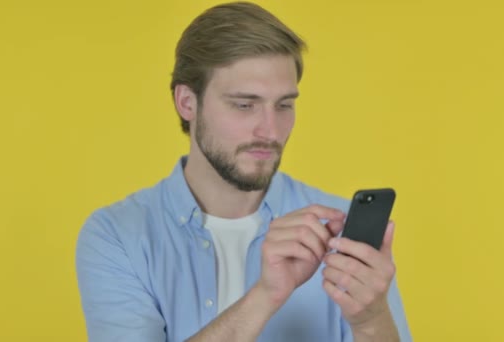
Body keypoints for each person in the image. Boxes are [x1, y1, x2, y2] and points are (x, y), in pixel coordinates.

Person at [76, 2, 411, 341]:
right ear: (187, 102)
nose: (270, 130)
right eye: (244, 105)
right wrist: (265, 296)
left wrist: (370, 320)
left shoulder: (339, 230)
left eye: (284, 105)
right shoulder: (118, 236)